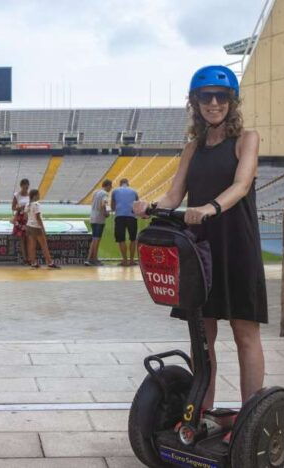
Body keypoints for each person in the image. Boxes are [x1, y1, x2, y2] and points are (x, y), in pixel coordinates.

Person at [134, 65, 267, 424]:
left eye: (221, 97)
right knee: (202, 332)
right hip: (201, 247)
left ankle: (250, 416)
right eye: (205, 97)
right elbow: (174, 194)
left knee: (244, 331)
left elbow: (241, 185)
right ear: (195, 103)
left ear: (231, 102)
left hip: (236, 243)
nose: (213, 103)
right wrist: (150, 207)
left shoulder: (247, 139)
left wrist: (210, 207)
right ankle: (199, 410)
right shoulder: (192, 148)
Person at [25, 188, 60, 269]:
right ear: (34, 196)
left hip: (29, 226)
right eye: (38, 195)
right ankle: (50, 262)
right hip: (36, 227)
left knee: (32, 246)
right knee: (44, 245)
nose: (39, 196)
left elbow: (26, 216)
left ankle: (33, 262)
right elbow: (38, 218)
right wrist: (43, 228)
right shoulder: (36, 205)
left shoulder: (27, 204)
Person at [110, 178, 140, 266]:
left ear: (120, 184)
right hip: (132, 216)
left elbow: (112, 207)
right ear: (128, 183)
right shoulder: (134, 191)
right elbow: (137, 205)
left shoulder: (115, 191)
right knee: (133, 239)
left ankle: (124, 260)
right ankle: (131, 260)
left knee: (121, 239)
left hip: (120, 216)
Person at [85, 179, 112, 266]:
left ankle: (90, 258)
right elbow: (103, 204)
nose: (111, 188)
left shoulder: (96, 192)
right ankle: (94, 259)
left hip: (93, 217)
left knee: (94, 238)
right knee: (97, 239)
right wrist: (106, 213)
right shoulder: (105, 194)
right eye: (110, 186)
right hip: (99, 219)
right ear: (107, 185)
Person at [11, 178, 31, 265]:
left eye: (27, 187)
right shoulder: (17, 195)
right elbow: (13, 208)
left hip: (29, 217)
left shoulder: (30, 195)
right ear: (21, 186)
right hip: (20, 218)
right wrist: (19, 208)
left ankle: (30, 258)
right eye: (24, 187)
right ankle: (25, 259)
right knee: (22, 239)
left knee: (29, 239)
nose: (26, 189)